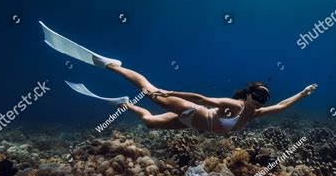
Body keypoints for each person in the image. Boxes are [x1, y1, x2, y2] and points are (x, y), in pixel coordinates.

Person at [40, 21, 318, 134]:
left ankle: (124, 104)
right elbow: (202, 98)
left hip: (190, 126)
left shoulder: (253, 116)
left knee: (148, 123)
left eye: (264, 98)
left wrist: (303, 94)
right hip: (190, 109)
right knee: (150, 91)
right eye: (257, 95)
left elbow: (281, 107)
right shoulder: (235, 106)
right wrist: (171, 92)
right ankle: (110, 65)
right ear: (247, 95)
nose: (260, 101)